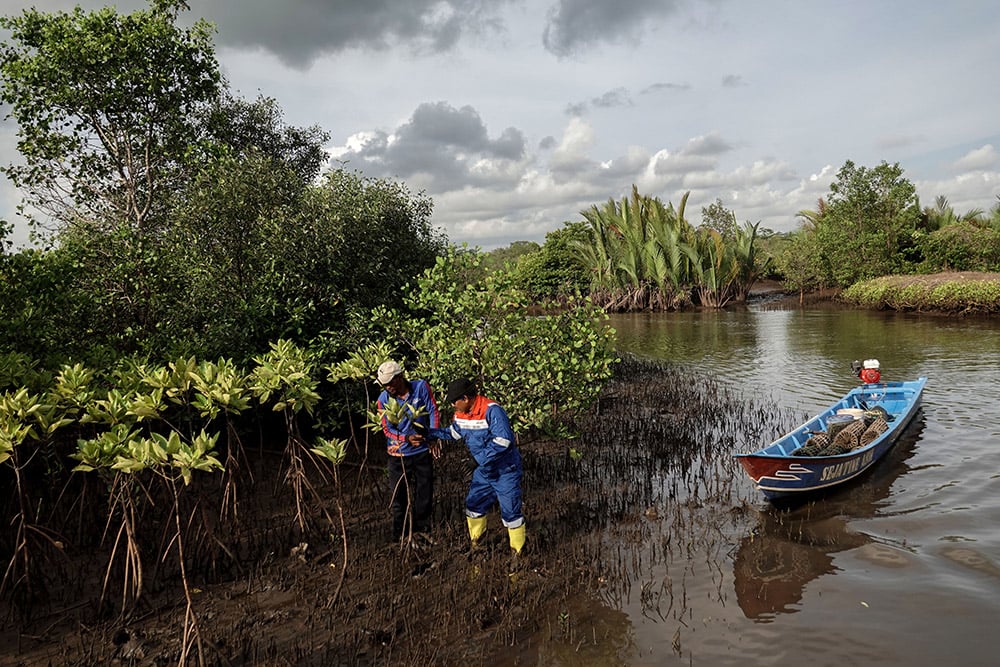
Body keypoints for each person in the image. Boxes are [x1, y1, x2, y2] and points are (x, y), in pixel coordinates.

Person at [425, 378, 525, 555]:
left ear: (464, 398)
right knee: (474, 505)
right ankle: (477, 545)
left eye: (454, 401)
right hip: (484, 471)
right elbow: (454, 433)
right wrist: (428, 433)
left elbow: (503, 441)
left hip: (505, 470)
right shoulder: (461, 414)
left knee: (511, 513)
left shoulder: (492, 410)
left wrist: (477, 460)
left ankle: (518, 553)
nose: (452, 405)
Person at [375, 360, 440, 543]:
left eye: (390, 382)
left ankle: (422, 529)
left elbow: (433, 411)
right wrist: (406, 439)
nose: (388, 387)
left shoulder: (421, 387)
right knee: (399, 497)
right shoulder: (383, 400)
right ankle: (401, 535)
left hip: (421, 451)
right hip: (398, 456)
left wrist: (433, 437)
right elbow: (387, 430)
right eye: (384, 384)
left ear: (399, 377)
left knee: (424, 493)